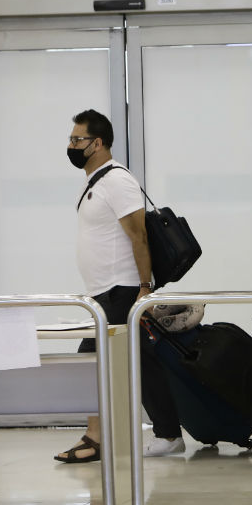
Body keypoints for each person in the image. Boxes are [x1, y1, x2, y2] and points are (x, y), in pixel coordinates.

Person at [54, 109, 184, 463]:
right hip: (104, 291)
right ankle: (168, 433)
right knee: (141, 362)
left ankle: (97, 439)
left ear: (97, 143)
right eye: (71, 139)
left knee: (91, 360)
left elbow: (138, 235)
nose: (71, 145)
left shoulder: (118, 180)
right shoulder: (95, 181)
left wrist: (144, 287)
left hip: (121, 290)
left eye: (77, 139)